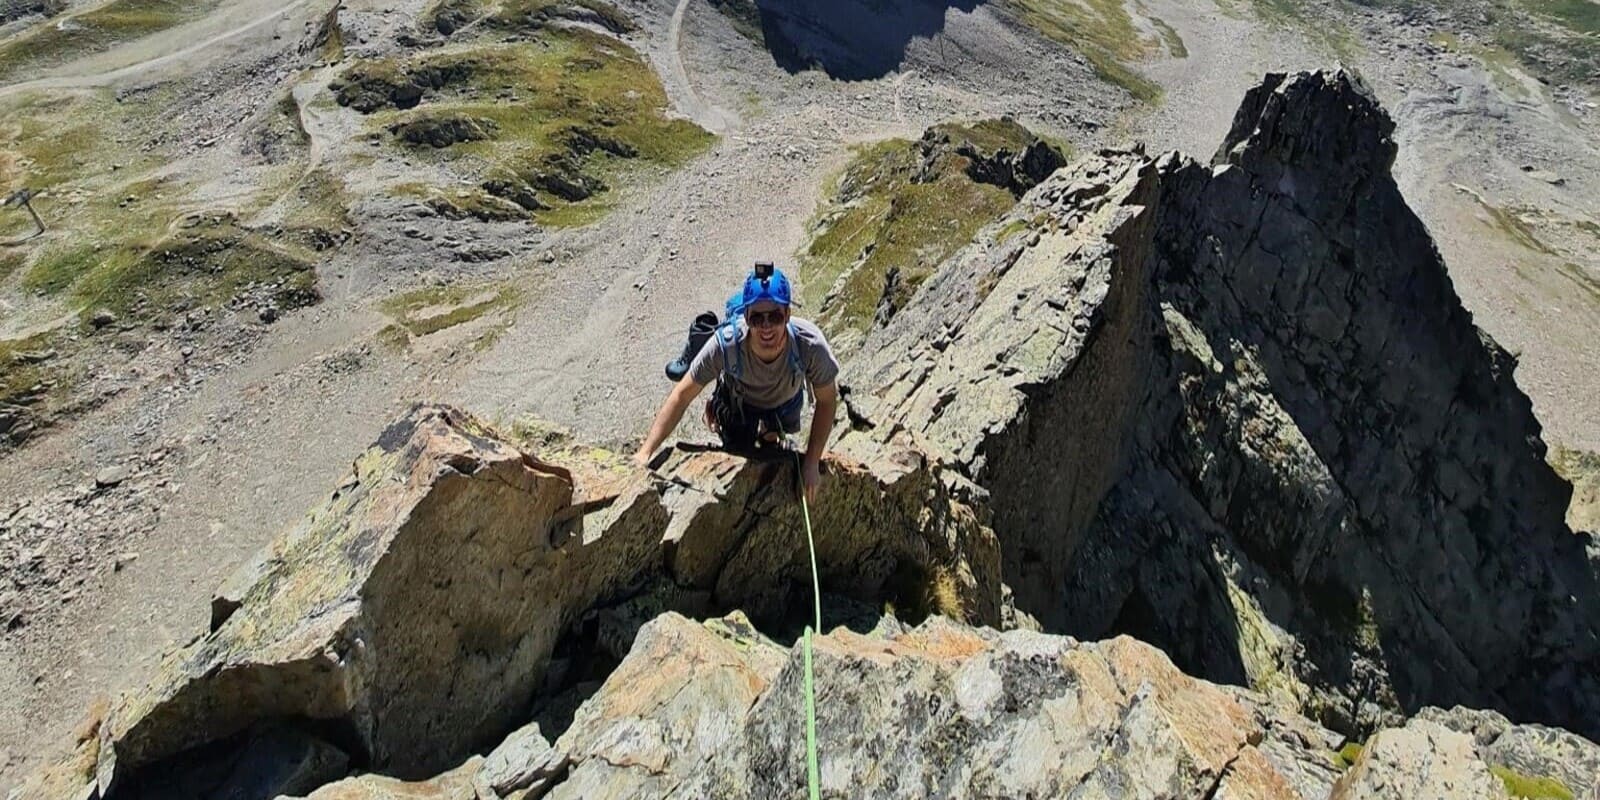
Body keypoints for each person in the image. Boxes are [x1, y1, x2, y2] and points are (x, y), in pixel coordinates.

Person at [633, 264, 840, 500]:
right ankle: (758, 436)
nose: (766, 327)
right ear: (746, 316)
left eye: (774, 316)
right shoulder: (726, 345)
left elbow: (827, 401)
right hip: (740, 405)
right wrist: (645, 452)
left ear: (788, 315)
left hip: (784, 404)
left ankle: (770, 435)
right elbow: (682, 395)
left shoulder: (809, 344)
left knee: (771, 448)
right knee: (738, 448)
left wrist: (811, 463)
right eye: (757, 318)